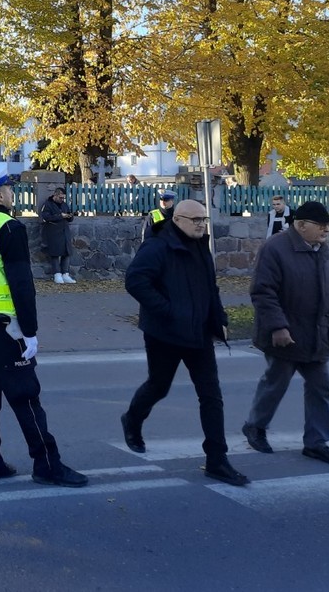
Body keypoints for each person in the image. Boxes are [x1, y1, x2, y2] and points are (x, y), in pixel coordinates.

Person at [0, 164, 88, 488]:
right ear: (1, 194)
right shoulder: (9, 228)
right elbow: (21, 284)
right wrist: (29, 331)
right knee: (26, 396)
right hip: (6, 327)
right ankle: (47, 464)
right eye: (10, 191)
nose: (13, 195)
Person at [121, 198, 247, 486]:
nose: (202, 224)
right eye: (196, 220)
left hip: (199, 333)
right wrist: (168, 311)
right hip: (164, 334)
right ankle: (132, 420)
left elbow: (210, 288)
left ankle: (217, 460)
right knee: (158, 386)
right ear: (177, 220)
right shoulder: (157, 247)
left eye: (204, 220)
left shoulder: (201, 246)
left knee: (211, 396)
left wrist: (220, 320)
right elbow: (135, 281)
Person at [242, 201, 329, 467]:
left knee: (320, 387)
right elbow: (263, 292)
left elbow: (325, 287)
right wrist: (278, 327)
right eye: (321, 225)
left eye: (327, 225)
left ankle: (316, 443)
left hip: (315, 333)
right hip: (285, 334)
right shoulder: (275, 248)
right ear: (300, 225)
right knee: (276, 383)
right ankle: (255, 427)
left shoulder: (321, 249)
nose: (326, 230)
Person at [39, 186, 76, 284]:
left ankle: (65, 274)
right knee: (55, 253)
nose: (62, 200)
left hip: (64, 231)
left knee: (66, 253)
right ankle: (57, 274)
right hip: (53, 232)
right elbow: (45, 217)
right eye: (60, 198)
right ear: (55, 195)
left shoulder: (64, 205)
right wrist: (60, 216)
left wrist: (69, 216)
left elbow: (69, 216)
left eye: (63, 198)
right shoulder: (48, 204)